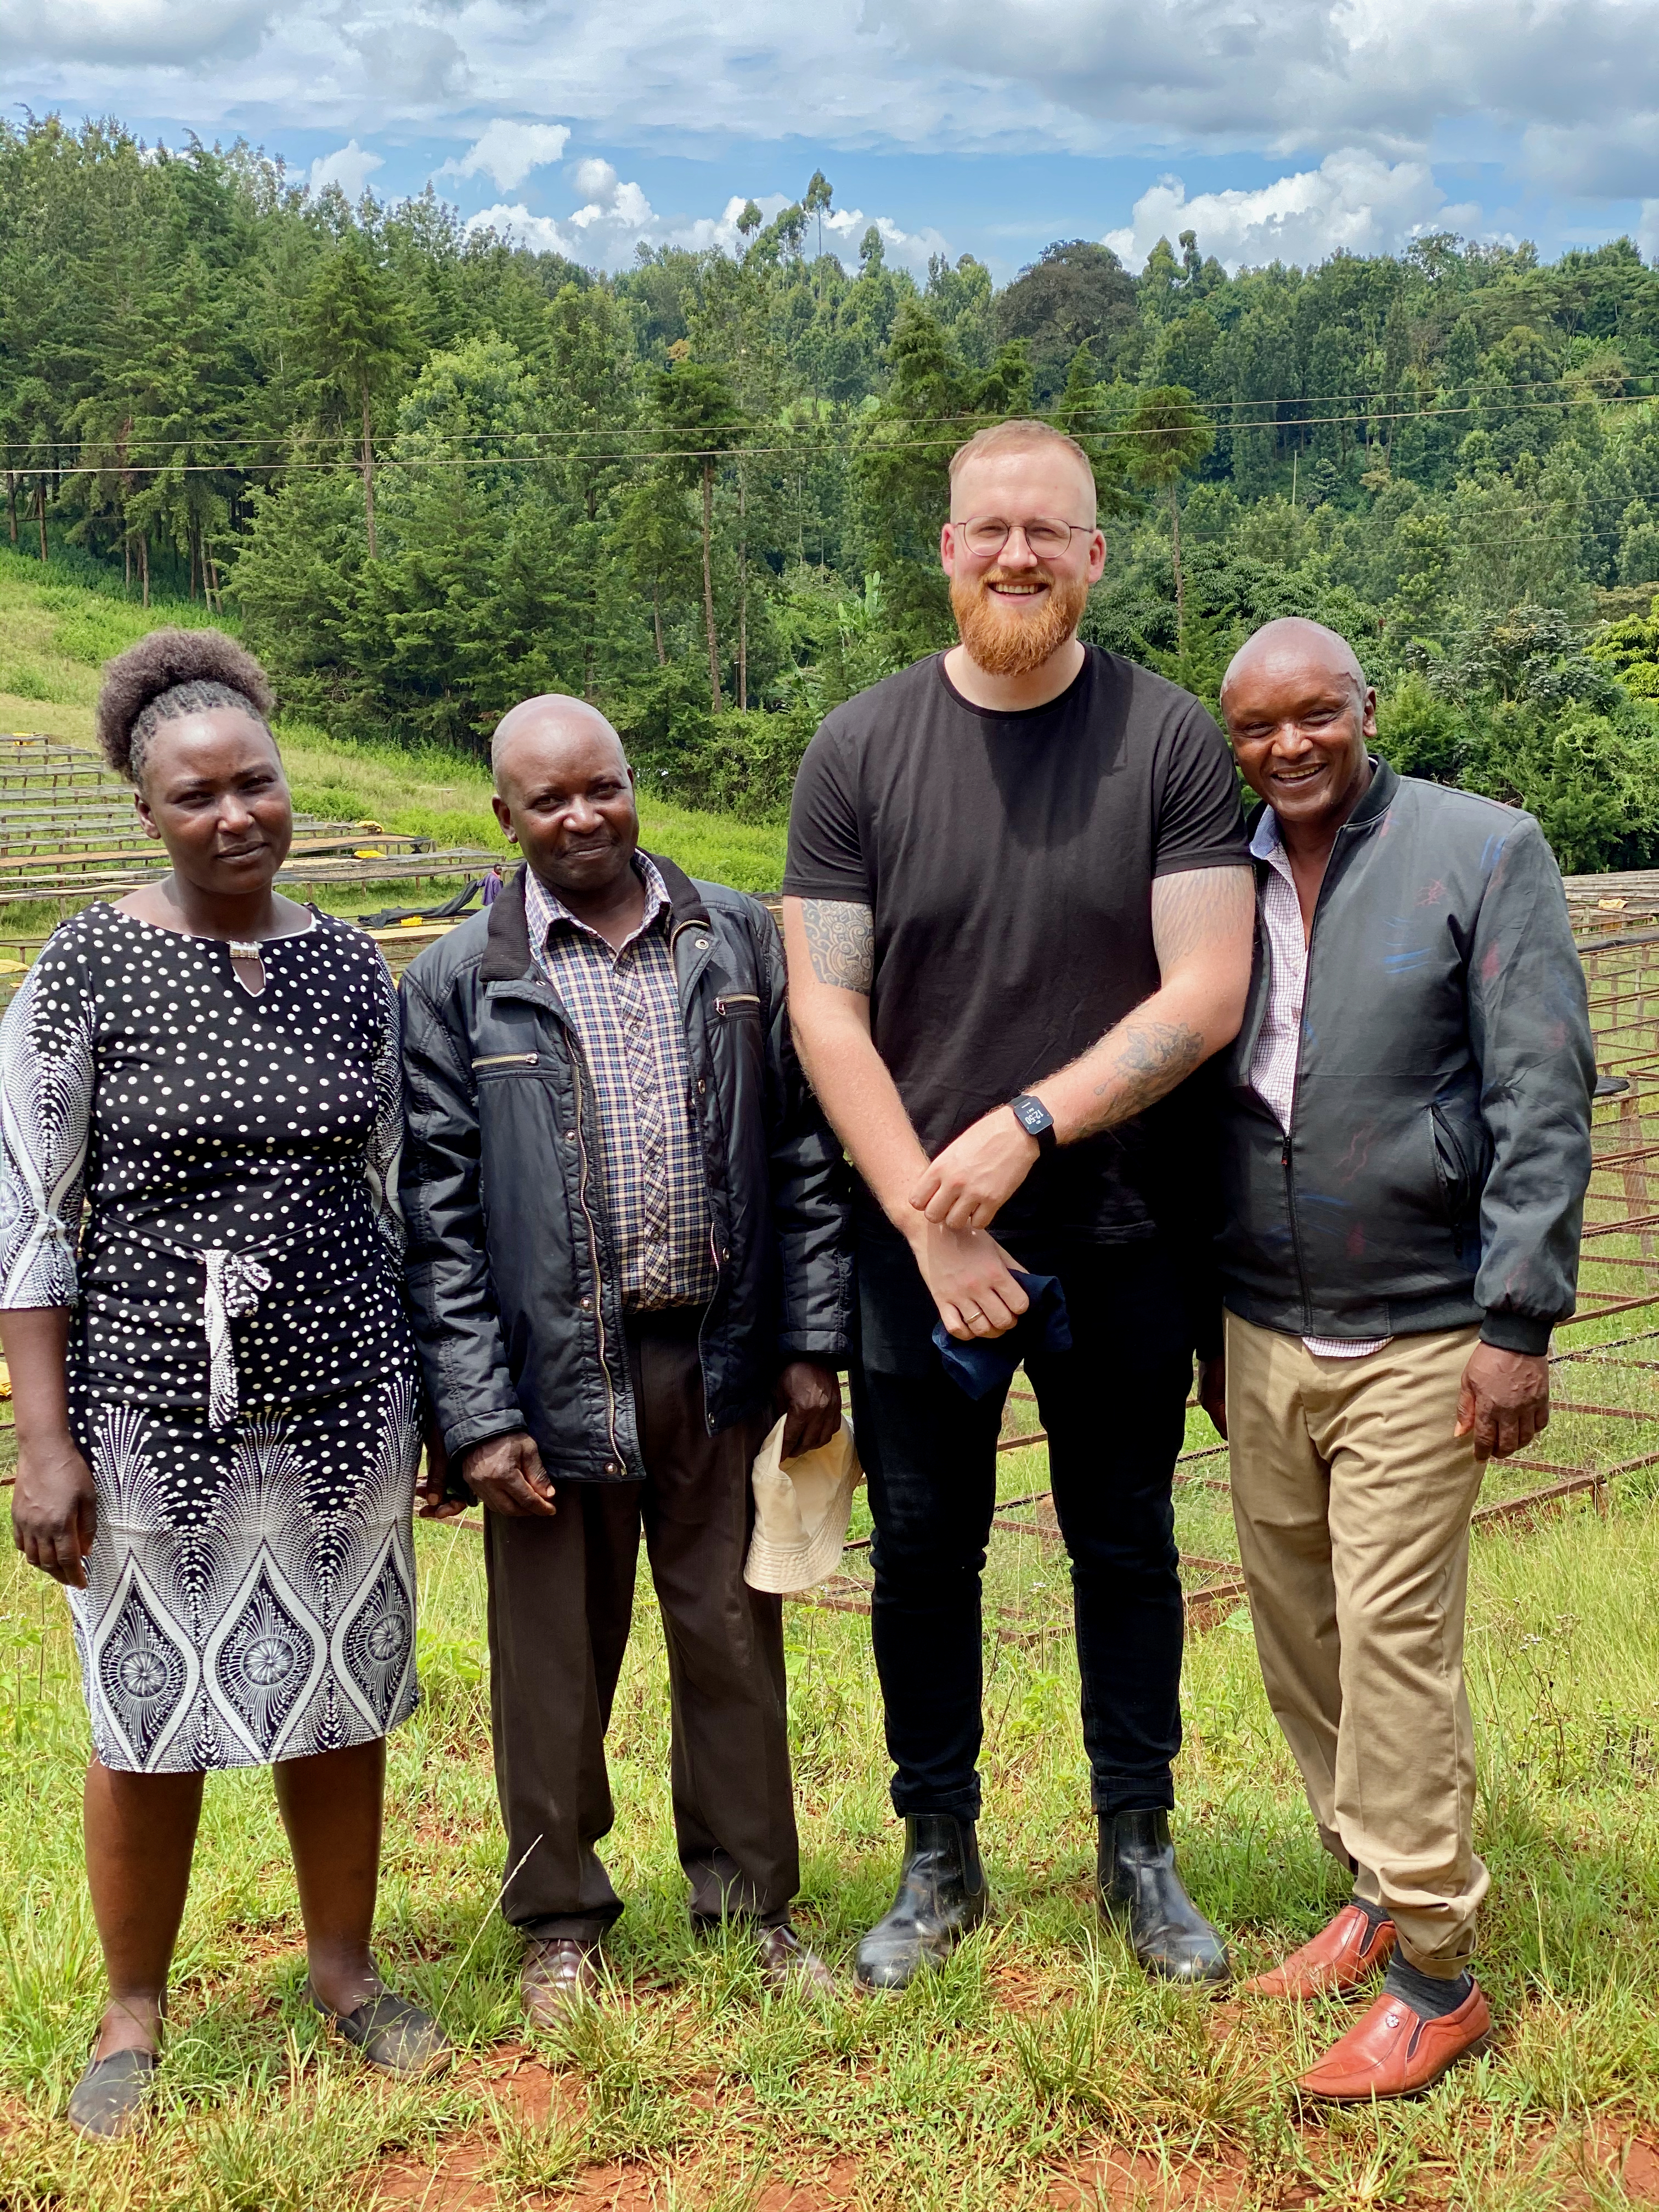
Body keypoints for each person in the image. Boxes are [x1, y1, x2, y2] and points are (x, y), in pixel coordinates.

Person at [781, 419, 1257, 1990]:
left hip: (1121, 1226)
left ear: (1095, 555)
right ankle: (940, 1857)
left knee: (1125, 1541)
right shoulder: (858, 751)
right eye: (989, 529)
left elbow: (1205, 987)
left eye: (1049, 532)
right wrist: (932, 1213)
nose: (1017, 556)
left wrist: (1032, 1125)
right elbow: (824, 1011)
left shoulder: (1170, 741)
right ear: (945, 548)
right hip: (918, 1239)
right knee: (926, 1552)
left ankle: (1139, 1848)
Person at [0, 630, 447, 2141]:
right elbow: (28, 1214)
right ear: (145, 810)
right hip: (147, 1416)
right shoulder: (83, 967)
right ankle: (134, 2011)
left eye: (257, 782)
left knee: (340, 1697)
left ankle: (342, 1973)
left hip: (341, 1406)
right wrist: (44, 1440)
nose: (236, 814)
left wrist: (436, 1401)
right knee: (145, 1713)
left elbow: (394, 1193)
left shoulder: (344, 966)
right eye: (198, 796)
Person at [398, 695, 850, 2019]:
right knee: (550, 1658)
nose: (583, 816)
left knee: (730, 1637)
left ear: (632, 783)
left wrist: (812, 1342)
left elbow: (802, 1158)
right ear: (505, 818)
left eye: (603, 787)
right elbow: (437, 1216)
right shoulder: (459, 978)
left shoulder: (735, 939)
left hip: (717, 1359)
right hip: (546, 1379)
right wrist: (477, 1418)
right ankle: (557, 1922)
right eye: (550, 800)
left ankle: (751, 1907)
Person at [1204, 617, 1594, 2098]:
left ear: (1369, 708)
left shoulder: (1482, 850)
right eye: (1256, 728)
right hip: (1260, 1317)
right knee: (1296, 1626)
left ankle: (1438, 1966)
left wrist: (1519, 1323)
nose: (1289, 747)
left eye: (1316, 716)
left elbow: (1542, 1090)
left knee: (1393, 1639)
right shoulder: (1216, 876)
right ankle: (1366, 1880)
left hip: (1425, 1328)